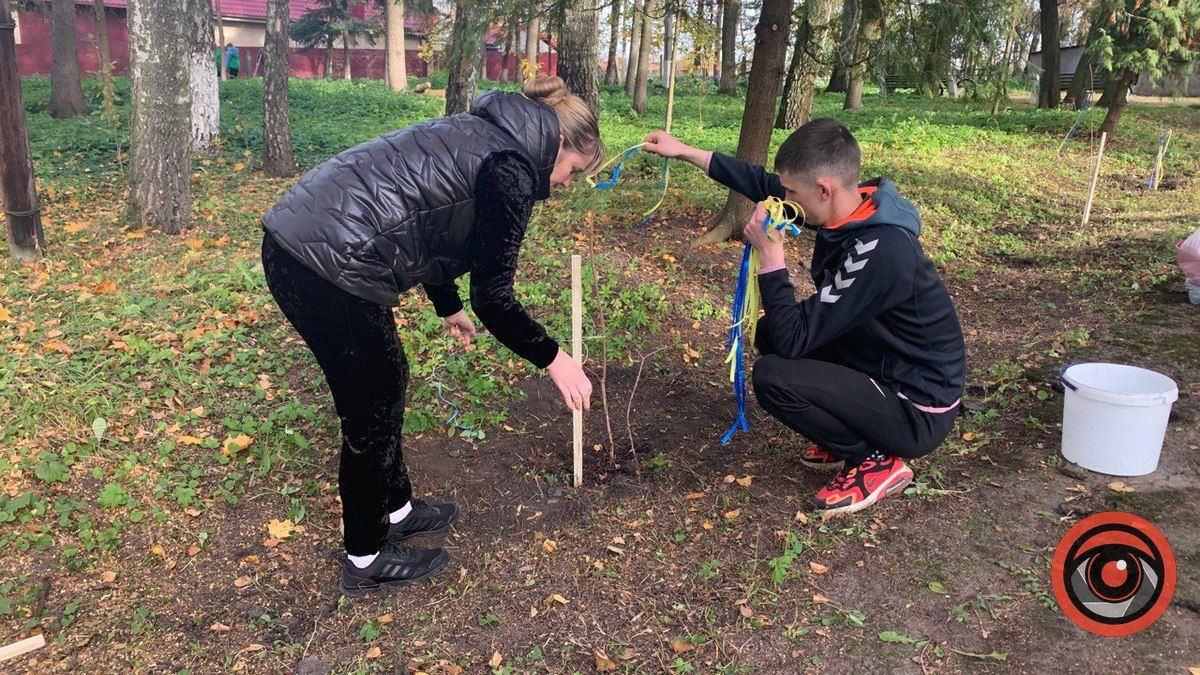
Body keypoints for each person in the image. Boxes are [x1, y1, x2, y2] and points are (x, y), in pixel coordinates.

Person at [260, 76, 601, 596]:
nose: (566, 184)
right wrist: (556, 359)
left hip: (307, 237)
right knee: (372, 405)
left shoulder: (483, 133)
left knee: (388, 380)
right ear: (558, 144)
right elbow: (495, 298)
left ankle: (396, 510)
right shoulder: (510, 169)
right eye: (573, 171)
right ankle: (365, 557)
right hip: (324, 259)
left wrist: (447, 305)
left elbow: (430, 220)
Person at [642, 119, 965, 515]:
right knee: (769, 333)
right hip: (882, 361)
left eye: (792, 192)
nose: (785, 198)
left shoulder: (882, 250)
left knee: (773, 376)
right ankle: (847, 429)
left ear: (824, 189)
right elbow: (760, 182)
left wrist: (772, 258)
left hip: (915, 407)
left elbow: (794, 339)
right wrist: (684, 151)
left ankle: (874, 460)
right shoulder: (851, 206)